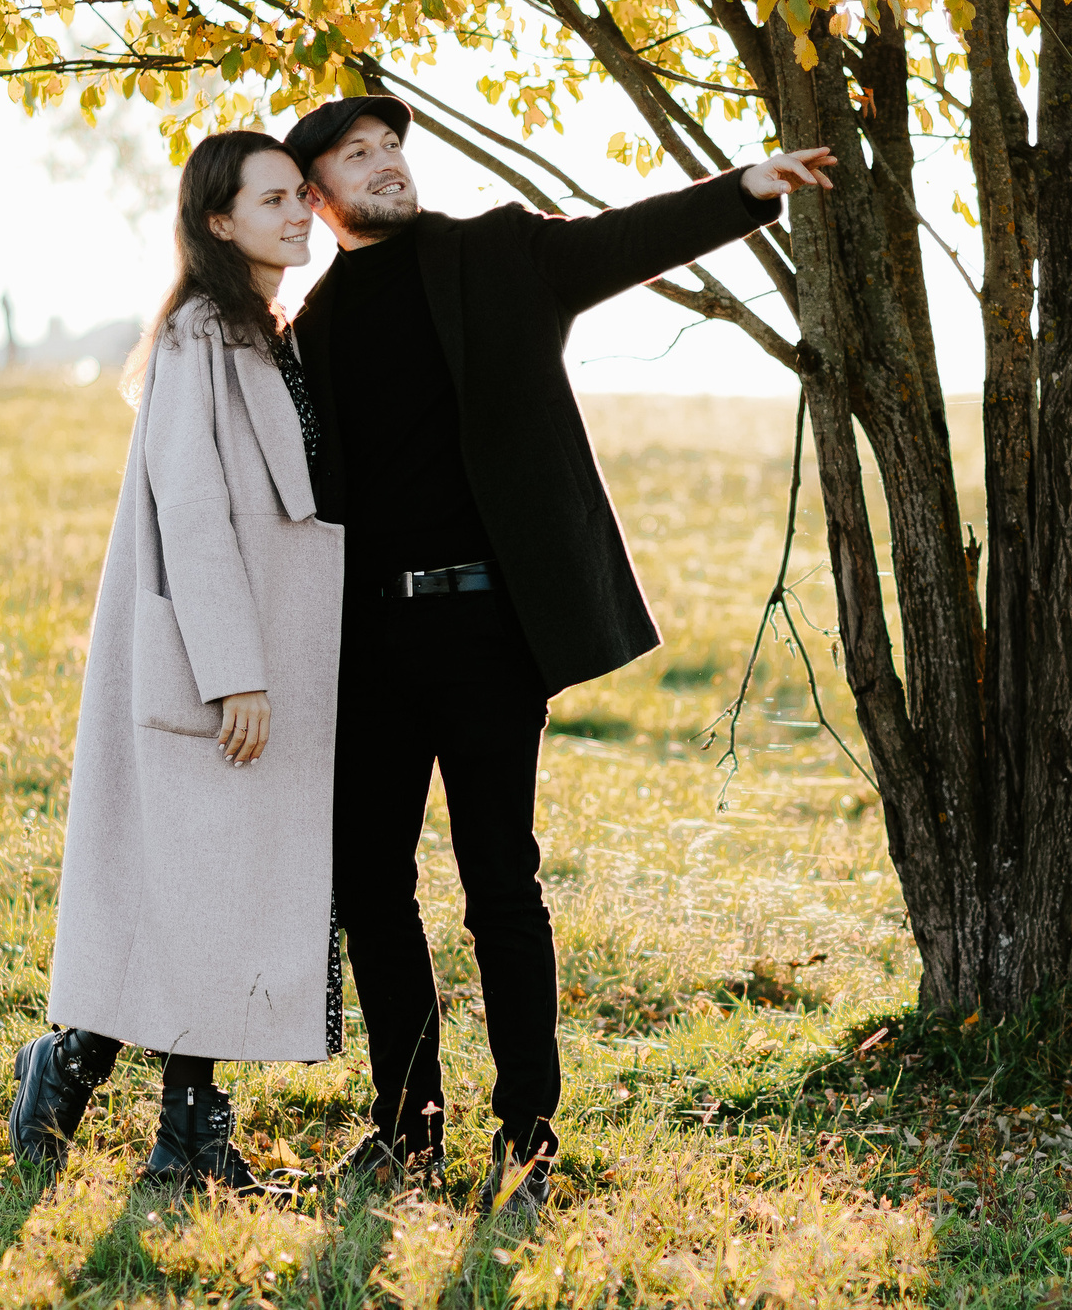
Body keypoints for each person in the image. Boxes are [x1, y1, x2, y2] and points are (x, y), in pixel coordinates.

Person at [285, 94, 833, 1213]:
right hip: (368, 643)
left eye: (392, 147)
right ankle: (406, 1130)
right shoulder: (308, 329)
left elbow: (621, 239)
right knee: (371, 888)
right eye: (357, 153)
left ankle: (526, 1138)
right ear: (315, 194)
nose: (387, 164)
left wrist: (745, 189)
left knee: (501, 882)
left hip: (489, 633)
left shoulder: (496, 254)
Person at [9, 130, 344, 1193]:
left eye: (301, 195)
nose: (298, 213)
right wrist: (235, 669)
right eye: (272, 199)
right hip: (215, 659)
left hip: (267, 654)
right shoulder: (201, 333)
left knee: (212, 888)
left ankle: (125, 1102)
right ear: (218, 220)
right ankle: (147, 1113)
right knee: (201, 884)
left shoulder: (264, 329)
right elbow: (192, 509)